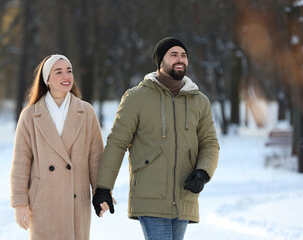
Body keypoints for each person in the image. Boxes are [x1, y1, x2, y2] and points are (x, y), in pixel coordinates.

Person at [92, 37, 219, 240]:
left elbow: (210, 143)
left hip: (184, 195)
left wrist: (203, 172)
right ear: (160, 61)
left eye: (184, 55)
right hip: (149, 195)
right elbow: (117, 143)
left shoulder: (199, 101)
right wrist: (104, 187)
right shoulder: (136, 97)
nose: (180, 59)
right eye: (174, 55)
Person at [10, 54, 104, 240]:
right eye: (58, 72)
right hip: (42, 200)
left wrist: (101, 191)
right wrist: (20, 202)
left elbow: (96, 158)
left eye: (69, 71)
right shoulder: (30, 115)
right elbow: (21, 162)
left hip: (77, 199)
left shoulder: (86, 112)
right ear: (47, 79)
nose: (66, 76)